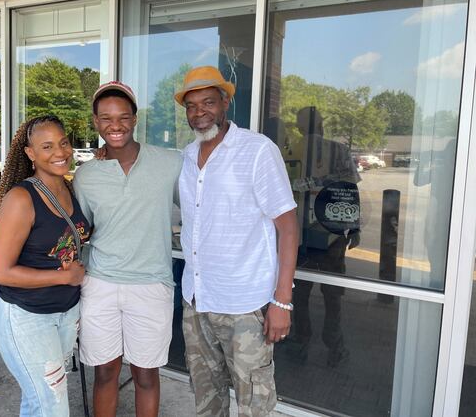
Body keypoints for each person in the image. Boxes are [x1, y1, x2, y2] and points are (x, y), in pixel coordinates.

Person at [175, 66, 299, 417]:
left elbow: (288, 227)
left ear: (225, 102)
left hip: (245, 305)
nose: (199, 113)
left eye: (208, 102)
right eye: (191, 105)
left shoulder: (257, 150)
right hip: (197, 300)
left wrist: (283, 301)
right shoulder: (186, 156)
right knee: (205, 397)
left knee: (254, 403)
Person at [73, 81, 182, 417]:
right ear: (95, 122)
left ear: (135, 119)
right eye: (106, 118)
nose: (115, 125)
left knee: (146, 374)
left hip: (152, 284)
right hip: (101, 284)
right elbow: (84, 230)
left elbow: (199, 205)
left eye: (123, 117)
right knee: (105, 372)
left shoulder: (169, 163)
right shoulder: (86, 175)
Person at [0, 115, 91, 417]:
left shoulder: (71, 190)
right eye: (47, 146)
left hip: (65, 312)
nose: (60, 152)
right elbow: (0, 273)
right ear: (31, 154)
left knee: (40, 400)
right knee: (52, 406)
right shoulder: (21, 198)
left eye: (63, 143)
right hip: (26, 316)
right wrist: (63, 278)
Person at [285, 106, 361, 367]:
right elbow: (350, 185)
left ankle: (311, 343)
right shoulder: (295, 149)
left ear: (299, 126)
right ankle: (326, 345)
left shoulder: (292, 149)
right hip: (321, 233)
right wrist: (354, 226)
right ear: (321, 125)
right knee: (324, 294)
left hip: (314, 233)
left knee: (310, 293)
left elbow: (349, 186)